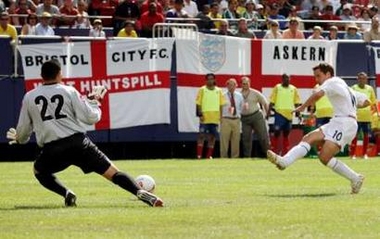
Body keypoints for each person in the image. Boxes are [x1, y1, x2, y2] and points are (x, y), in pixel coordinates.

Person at [6, 60, 163, 207]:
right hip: (78, 143)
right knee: (113, 173)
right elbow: (90, 118)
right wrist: (95, 103)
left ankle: (66, 193)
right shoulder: (69, 90)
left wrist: (20, 138)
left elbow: (24, 130)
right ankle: (139, 191)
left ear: (41, 76)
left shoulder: (29, 96)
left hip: (53, 148)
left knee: (38, 170)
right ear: (59, 73)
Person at [267, 62, 368, 194]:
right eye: (315, 76)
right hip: (339, 120)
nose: (317, 80)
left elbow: (318, 95)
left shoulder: (332, 81)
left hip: (345, 123)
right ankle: (284, 161)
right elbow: (366, 101)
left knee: (324, 156)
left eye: (318, 76)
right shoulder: (345, 86)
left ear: (328, 74)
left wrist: (302, 107)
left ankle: (355, 178)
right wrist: (351, 107)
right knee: (310, 138)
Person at [268, 74, 301, 155]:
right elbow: (272, 101)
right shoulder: (277, 88)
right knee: (277, 131)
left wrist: (298, 113)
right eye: (285, 78)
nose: (287, 80)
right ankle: (274, 150)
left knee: (286, 133)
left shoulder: (294, 89)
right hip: (279, 113)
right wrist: (268, 111)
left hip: (289, 115)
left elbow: (296, 102)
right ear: (282, 79)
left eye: (289, 78)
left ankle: (285, 152)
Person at [195, 73, 226, 159]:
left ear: (214, 80)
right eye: (208, 79)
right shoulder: (202, 89)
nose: (210, 80)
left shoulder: (219, 90)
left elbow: (221, 104)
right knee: (201, 136)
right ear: (206, 80)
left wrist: (221, 116)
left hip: (215, 118)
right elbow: (198, 103)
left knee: (212, 137)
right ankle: (199, 155)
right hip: (205, 117)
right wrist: (200, 114)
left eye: (212, 79)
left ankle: (208, 156)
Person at [240, 76, 270, 158]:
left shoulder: (255, 92)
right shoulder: (238, 94)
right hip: (245, 118)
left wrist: (267, 113)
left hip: (256, 116)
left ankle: (268, 155)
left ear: (249, 83)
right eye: (243, 84)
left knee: (263, 136)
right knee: (246, 138)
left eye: (247, 83)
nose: (245, 85)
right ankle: (247, 157)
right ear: (241, 84)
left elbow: (265, 102)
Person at [350, 72, 377, 159]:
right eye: (360, 78)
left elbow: (373, 102)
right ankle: (352, 154)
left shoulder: (370, 89)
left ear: (366, 79)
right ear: (357, 79)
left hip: (367, 117)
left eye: (364, 78)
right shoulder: (353, 88)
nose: (362, 80)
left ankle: (364, 154)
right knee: (354, 135)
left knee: (366, 136)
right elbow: (350, 101)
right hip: (356, 116)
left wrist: (376, 112)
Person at [220, 78, 244, 158]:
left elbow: (241, 107)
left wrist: (239, 116)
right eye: (229, 84)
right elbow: (219, 107)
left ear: (236, 86)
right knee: (224, 140)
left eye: (233, 85)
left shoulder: (240, 96)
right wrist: (221, 119)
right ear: (226, 86)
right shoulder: (222, 96)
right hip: (226, 119)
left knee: (236, 140)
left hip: (236, 120)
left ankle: (235, 157)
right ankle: (223, 157)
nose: (231, 86)